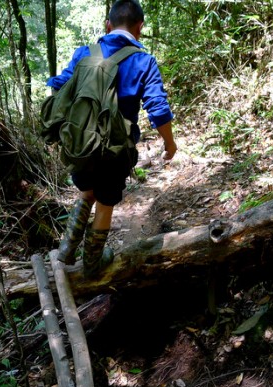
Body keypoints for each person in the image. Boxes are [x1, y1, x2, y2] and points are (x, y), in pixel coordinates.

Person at [47, 0, 177, 278]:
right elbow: (158, 108)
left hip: (81, 142)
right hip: (115, 149)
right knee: (105, 202)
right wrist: (169, 143)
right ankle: (93, 263)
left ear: (108, 25)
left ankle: (67, 249)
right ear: (139, 28)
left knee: (87, 191)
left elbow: (60, 86)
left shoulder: (84, 53)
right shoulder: (144, 61)